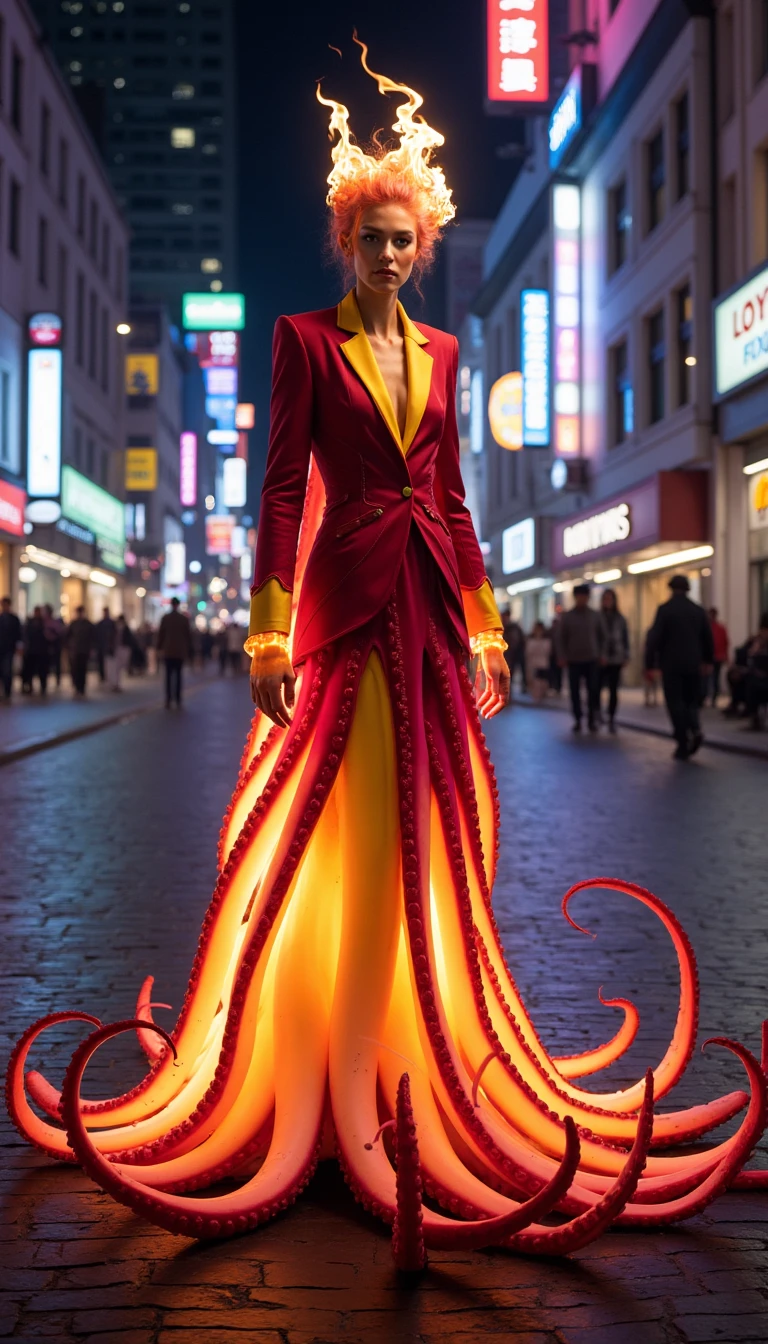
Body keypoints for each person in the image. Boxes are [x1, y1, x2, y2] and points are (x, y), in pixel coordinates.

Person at [10, 46, 758, 1250]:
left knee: (424, 822)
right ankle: (325, 1057)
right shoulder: (304, 343)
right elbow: (279, 488)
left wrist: (485, 619)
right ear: (346, 239)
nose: (393, 255)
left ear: (421, 243)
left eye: (407, 239)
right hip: (339, 600)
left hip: (421, 604)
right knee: (336, 813)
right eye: (375, 239)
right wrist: (264, 628)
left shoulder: (448, 357)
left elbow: (454, 497)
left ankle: (411, 1043)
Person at [647, 574, 713, 759]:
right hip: (693, 664)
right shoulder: (698, 611)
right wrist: (708, 661)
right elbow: (707, 638)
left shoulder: (665, 610)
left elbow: (654, 639)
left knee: (675, 702)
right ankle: (695, 727)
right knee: (691, 700)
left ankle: (683, 741)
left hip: (671, 665)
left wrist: (649, 664)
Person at [558, 584, 600, 732]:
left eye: (584, 596)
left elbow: (603, 636)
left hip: (592, 659)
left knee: (593, 690)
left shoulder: (595, 615)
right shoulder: (568, 616)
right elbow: (561, 638)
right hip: (573, 660)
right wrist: (562, 656)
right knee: (574, 691)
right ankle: (577, 718)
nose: (582, 599)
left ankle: (592, 719)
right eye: (579, 596)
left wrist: (602, 654)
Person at [597, 588, 629, 733]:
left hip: (616, 657)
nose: (608, 602)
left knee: (613, 690)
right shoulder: (597, 618)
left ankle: (611, 716)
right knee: (596, 688)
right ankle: (597, 713)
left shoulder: (620, 618)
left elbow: (625, 638)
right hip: (601, 658)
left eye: (610, 599)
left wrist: (626, 655)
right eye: (605, 599)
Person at [157, 596, 193, 707]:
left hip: (168, 651)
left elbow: (160, 635)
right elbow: (188, 636)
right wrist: (190, 650)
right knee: (178, 676)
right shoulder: (183, 619)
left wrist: (159, 648)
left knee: (168, 676)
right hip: (179, 652)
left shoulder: (165, 618)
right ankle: (178, 699)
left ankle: (168, 699)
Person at [743, 614, 768, 730]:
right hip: (759, 676)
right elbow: (746, 655)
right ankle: (753, 715)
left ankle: (754, 715)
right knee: (749, 682)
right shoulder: (757, 641)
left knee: (754, 685)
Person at [21, 606, 50, 695]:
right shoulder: (31, 622)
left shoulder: (43, 623)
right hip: (32, 650)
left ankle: (42, 686)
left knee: (42, 671)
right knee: (30, 670)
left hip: (41, 651)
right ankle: (30, 685)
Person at [66, 606, 93, 697]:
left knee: (82, 669)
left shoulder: (87, 624)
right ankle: (77, 687)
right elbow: (68, 636)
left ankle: (82, 687)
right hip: (76, 650)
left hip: (83, 650)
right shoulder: (74, 624)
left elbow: (92, 637)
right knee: (76, 669)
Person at [0, 596, 22, 700]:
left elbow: (19, 634)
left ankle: (7, 691)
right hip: (2, 648)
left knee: (7, 670)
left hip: (9, 648)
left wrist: (19, 646)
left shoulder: (14, 619)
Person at [525, 620, 552, 702]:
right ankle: (536, 696)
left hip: (543, 663)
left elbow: (548, 651)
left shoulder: (546, 640)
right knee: (535, 681)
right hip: (533, 663)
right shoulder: (530, 640)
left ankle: (541, 695)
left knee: (542, 681)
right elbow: (528, 652)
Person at [501, 608, 526, 696]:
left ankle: (508, 694)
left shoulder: (512, 627)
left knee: (509, 675)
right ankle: (506, 694)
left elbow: (519, 641)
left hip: (512, 654)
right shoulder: (505, 627)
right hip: (507, 654)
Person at [707, 608, 729, 706]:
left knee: (715, 678)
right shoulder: (707, 628)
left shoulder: (720, 628)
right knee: (708, 678)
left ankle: (714, 697)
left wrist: (725, 656)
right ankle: (706, 695)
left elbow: (725, 642)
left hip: (717, 657)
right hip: (708, 657)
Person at [43, 604, 66, 687]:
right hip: (46, 646)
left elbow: (60, 632)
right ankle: (45, 682)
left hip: (55, 645)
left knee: (56, 664)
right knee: (47, 664)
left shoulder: (55, 622)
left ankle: (57, 680)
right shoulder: (43, 621)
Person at [95, 607, 116, 683]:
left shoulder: (110, 623)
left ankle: (106, 676)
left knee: (108, 663)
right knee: (102, 662)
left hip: (107, 646)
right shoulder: (101, 623)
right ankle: (103, 676)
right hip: (102, 646)